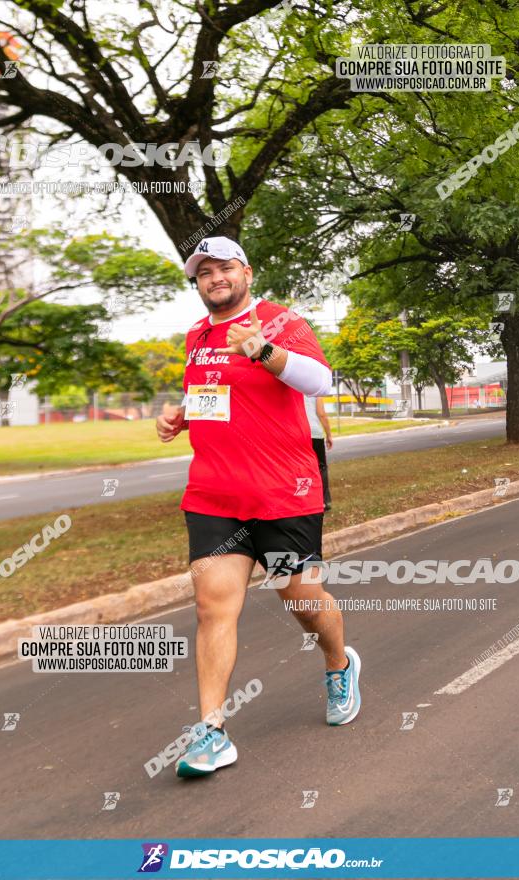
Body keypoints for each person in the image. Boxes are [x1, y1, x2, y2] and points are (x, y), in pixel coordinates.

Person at [156, 236, 362, 778]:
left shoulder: (279, 320)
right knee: (212, 608)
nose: (215, 278)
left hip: (284, 492)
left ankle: (339, 664)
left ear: (246, 272)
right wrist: (182, 414)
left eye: (224, 268)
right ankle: (212, 732)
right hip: (214, 494)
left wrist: (262, 350)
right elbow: (217, 395)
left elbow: (319, 379)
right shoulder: (197, 336)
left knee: (302, 601)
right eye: (204, 273)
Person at [304, 395, 333, 511]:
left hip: (298, 433)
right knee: (321, 467)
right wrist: (329, 435)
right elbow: (321, 413)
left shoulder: (293, 386)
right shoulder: (315, 389)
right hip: (314, 434)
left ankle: (306, 500)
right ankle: (323, 501)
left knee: (303, 468)